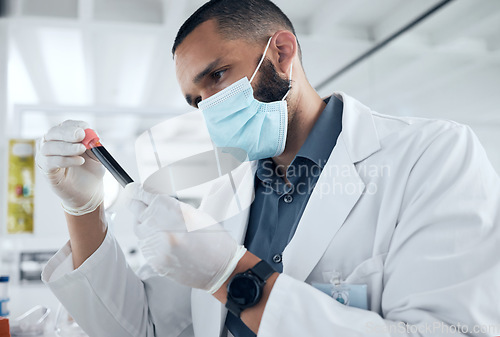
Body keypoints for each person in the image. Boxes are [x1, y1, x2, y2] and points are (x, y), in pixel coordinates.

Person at [36, 0, 500, 336]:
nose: (208, 108)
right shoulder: (222, 192)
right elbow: (145, 327)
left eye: (216, 76)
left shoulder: (430, 155)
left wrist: (234, 276)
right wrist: (84, 209)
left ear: (281, 53)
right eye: (196, 100)